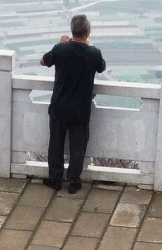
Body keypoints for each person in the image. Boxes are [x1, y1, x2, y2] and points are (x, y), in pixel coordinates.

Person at [39, 15, 104, 194]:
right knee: (78, 148)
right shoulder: (93, 53)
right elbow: (102, 67)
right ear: (88, 32)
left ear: (71, 31)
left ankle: (55, 179)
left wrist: (60, 44)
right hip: (80, 109)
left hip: (59, 106)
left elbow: (44, 61)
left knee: (56, 145)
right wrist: (89, 46)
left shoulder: (61, 49)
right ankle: (74, 182)